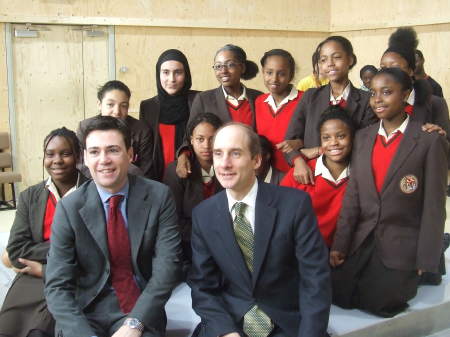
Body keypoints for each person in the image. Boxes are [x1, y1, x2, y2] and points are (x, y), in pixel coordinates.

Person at [188, 123, 331, 337]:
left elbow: (315, 279)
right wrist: (226, 331)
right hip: (230, 322)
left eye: (235, 153)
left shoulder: (294, 205)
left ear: (256, 160)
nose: (224, 164)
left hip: (286, 323)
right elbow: (203, 287)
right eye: (218, 154)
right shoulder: (203, 214)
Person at [45, 116, 182, 337]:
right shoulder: (69, 208)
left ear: (130, 155)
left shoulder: (159, 196)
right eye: (95, 152)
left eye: (113, 150)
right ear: (85, 159)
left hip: (139, 308)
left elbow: (167, 269)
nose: (104, 160)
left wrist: (135, 324)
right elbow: (57, 286)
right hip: (86, 311)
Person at [330, 68, 447, 317]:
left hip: (402, 243)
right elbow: (353, 197)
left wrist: (426, 259)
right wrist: (340, 244)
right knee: (337, 293)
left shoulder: (428, 140)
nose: (378, 99)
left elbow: (434, 207)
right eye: (373, 93)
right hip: (364, 238)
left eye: (387, 92)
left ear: (406, 94)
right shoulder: (363, 137)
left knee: (380, 304)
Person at [0, 127, 88, 337]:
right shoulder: (30, 196)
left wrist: (46, 265)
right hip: (31, 275)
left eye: (65, 153)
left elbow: (91, 252)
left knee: (39, 330)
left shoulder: (92, 192)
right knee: (7, 328)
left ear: (78, 156)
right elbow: (16, 250)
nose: (56, 160)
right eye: (50, 154)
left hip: (72, 277)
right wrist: (66, 251)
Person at [284, 36, 377, 185]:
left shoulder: (367, 100)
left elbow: (363, 144)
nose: (330, 64)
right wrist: (298, 161)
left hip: (350, 179)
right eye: (323, 60)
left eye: (337, 57)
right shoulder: (310, 97)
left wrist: (316, 150)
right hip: (311, 176)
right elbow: (289, 142)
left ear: (351, 59)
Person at [176, 44, 263, 178]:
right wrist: (182, 156)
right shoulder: (204, 99)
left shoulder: (258, 97)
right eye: (218, 66)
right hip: (220, 171)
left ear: (242, 67)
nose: (223, 70)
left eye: (230, 65)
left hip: (252, 170)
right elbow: (189, 135)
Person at [281, 106, 354, 248]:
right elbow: (280, 216)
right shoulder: (300, 173)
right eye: (326, 138)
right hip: (302, 251)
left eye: (341, 136)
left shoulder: (361, 175)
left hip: (344, 252)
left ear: (352, 137)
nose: (333, 142)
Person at [163, 112, 223, 273]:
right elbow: (173, 220)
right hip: (188, 247)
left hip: (225, 243)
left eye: (212, 138)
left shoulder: (228, 168)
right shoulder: (176, 171)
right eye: (200, 139)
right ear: (191, 140)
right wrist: (206, 236)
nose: (206, 145)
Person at [139, 49, 199, 181]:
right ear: (158, 74)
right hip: (157, 178)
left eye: (178, 72)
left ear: (186, 74)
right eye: (165, 72)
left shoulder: (198, 100)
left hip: (193, 175)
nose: (171, 79)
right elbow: (146, 149)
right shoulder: (148, 107)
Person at [78, 80, 155, 179]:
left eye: (123, 105)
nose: (117, 112)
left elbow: (146, 170)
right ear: (99, 104)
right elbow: (81, 165)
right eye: (110, 104)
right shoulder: (85, 127)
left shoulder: (141, 130)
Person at [380, 27, 449, 137]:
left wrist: (440, 136)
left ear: (411, 70)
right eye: (383, 68)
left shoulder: (436, 104)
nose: (388, 73)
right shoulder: (375, 104)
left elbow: (446, 144)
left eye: (395, 67)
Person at [255, 49, 303, 173]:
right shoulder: (259, 101)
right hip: (266, 173)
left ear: (291, 75)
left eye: (281, 74)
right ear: (263, 72)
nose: (274, 79)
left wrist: (300, 142)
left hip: (295, 171)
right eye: (269, 72)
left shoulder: (304, 100)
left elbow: (316, 136)